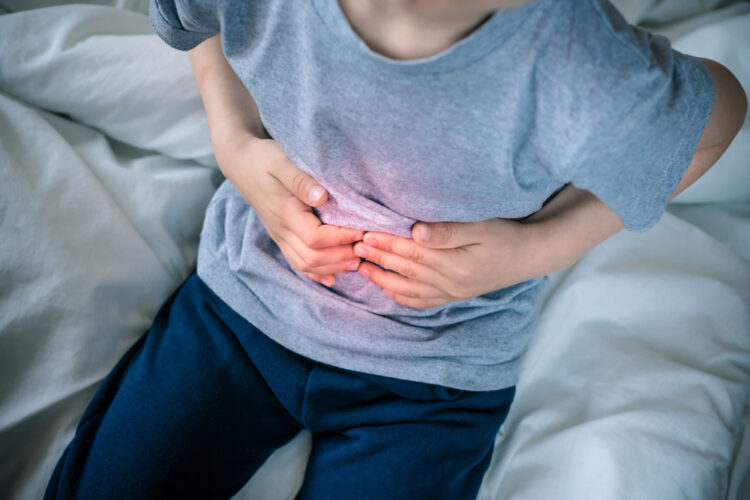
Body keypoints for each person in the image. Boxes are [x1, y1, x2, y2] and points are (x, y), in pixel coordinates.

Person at [45, 0, 746, 498]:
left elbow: (718, 118)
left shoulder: (571, 51)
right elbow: (194, 21)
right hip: (246, 305)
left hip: (435, 380)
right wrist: (234, 143)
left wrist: (534, 249)